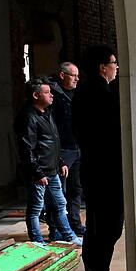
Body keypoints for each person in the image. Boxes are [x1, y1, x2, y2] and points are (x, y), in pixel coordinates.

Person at [72, 45, 125, 271]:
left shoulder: (87, 92)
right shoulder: (99, 94)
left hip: (96, 169)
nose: (116, 67)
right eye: (113, 62)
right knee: (106, 227)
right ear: (102, 67)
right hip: (105, 172)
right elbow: (111, 135)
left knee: (100, 227)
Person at [14, 77, 82, 246]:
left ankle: (69, 236)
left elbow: (53, 143)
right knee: (36, 209)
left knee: (60, 204)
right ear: (36, 95)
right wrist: (37, 172)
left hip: (51, 170)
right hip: (40, 173)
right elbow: (27, 148)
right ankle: (37, 240)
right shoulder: (29, 117)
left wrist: (60, 162)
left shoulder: (47, 114)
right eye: (47, 92)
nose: (51, 95)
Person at [50, 62, 86, 237]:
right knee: (60, 193)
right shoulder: (54, 97)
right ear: (62, 75)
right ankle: (57, 229)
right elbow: (53, 130)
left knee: (75, 189)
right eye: (73, 75)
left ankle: (75, 224)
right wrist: (58, 158)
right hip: (63, 150)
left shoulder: (74, 95)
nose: (77, 79)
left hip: (76, 147)